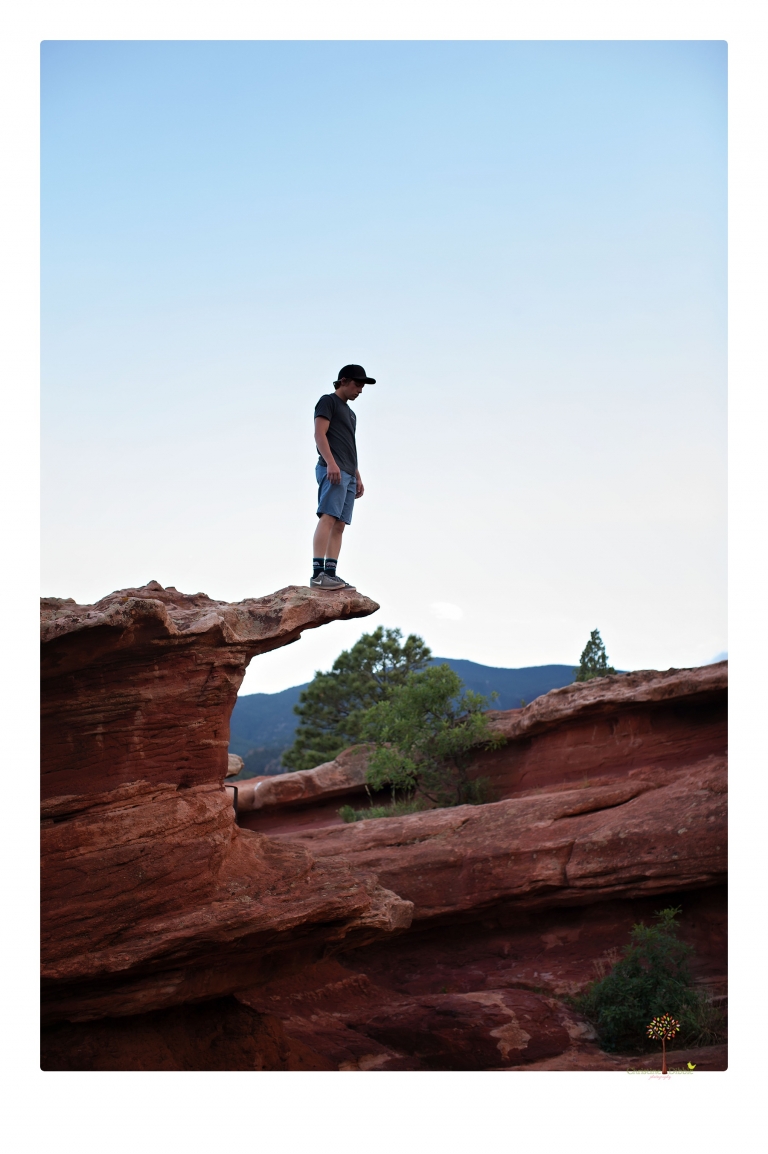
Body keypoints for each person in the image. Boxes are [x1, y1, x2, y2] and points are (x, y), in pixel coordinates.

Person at [310, 363, 376, 590]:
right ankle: (318, 575)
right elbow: (320, 434)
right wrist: (330, 463)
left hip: (348, 472)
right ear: (344, 381)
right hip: (333, 470)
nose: (360, 390)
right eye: (357, 385)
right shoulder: (328, 401)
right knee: (328, 517)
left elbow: (349, 445)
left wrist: (357, 475)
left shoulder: (351, 414)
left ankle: (331, 573)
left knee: (340, 525)